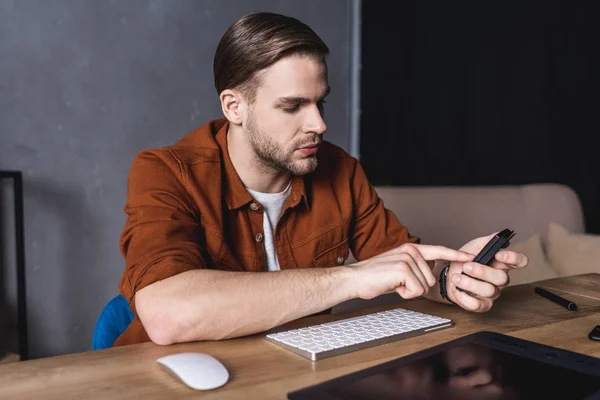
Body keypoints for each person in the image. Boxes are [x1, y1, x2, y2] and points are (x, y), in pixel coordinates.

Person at [113, 12, 528, 347]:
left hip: (294, 374)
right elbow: (168, 315)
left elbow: (401, 261)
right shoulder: (165, 172)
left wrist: (450, 277)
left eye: (320, 102)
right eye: (293, 106)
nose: (319, 124)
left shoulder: (341, 170)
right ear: (234, 106)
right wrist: (350, 278)